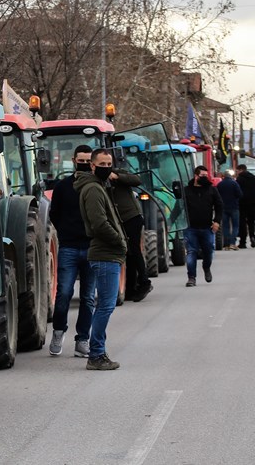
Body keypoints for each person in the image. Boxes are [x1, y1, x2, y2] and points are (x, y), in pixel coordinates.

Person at [75, 147, 126, 370]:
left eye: (109, 165)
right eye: (102, 165)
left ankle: (98, 352)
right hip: (105, 253)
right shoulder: (93, 189)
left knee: (105, 305)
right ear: (92, 166)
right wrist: (119, 241)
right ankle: (96, 355)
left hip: (107, 253)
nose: (106, 168)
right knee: (105, 306)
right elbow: (99, 223)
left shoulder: (99, 186)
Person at [47, 145, 96, 357]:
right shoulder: (62, 187)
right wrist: (66, 233)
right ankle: (58, 331)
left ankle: (82, 340)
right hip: (68, 247)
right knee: (64, 292)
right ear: (74, 160)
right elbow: (54, 215)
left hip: (92, 248)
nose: (84, 164)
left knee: (88, 297)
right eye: (81, 160)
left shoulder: (97, 186)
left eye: (88, 161)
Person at [108, 161, 151, 302]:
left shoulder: (118, 173)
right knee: (127, 253)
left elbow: (136, 180)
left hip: (131, 217)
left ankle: (144, 282)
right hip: (116, 220)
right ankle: (131, 288)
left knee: (133, 250)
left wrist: (117, 176)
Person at [183, 165, 222, 287]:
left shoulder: (212, 190)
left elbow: (219, 206)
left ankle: (206, 268)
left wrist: (216, 221)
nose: (205, 178)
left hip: (207, 228)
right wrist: (172, 222)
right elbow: (179, 208)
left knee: (209, 251)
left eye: (206, 175)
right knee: (191, 252)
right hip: (191, 228)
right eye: (202, 176)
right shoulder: (186, 190)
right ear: (196, 176)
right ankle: (191, 278)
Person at [235, 164, 255, 249]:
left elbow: (237, 191)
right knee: (251, 222)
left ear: (240, 170)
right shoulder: (254, 178)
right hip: (252, 204)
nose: (236, 172)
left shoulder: (239, 179)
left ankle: (243, 242)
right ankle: (252, 236)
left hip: (242, 204)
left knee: (242, 222)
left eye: (237, 171)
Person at [215, 170, 242, 251]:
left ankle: (226, 245)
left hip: (223, 208)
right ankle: (232, 243)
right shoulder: (234, 183)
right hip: (234, 207)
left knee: (225, 227)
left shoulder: (220, 184)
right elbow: (240, 194)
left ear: (224, 176)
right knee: (235, 226)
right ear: (231, 176)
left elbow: (217, 196)